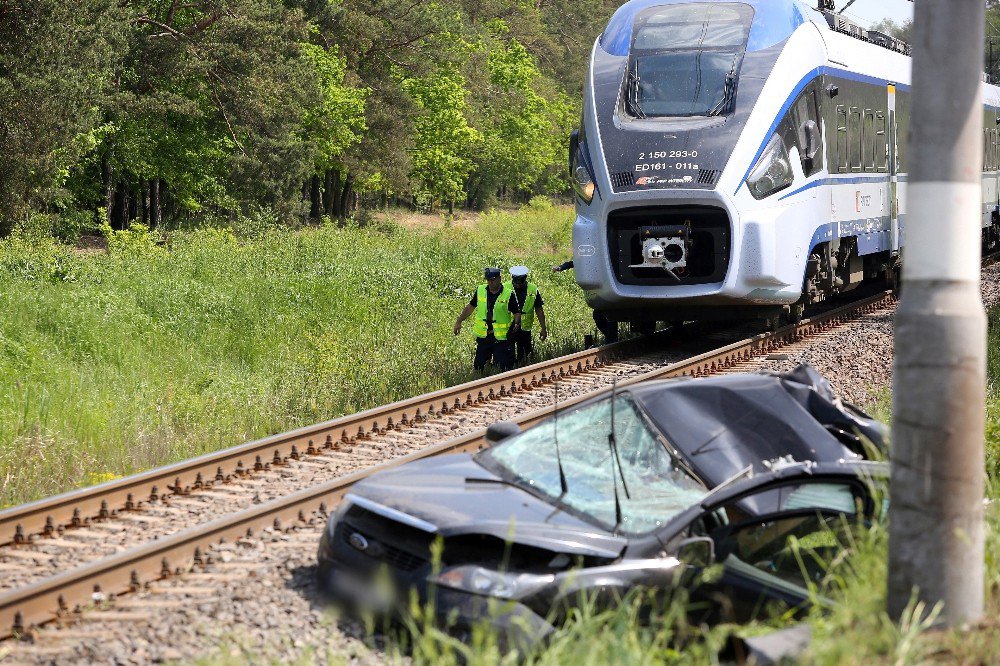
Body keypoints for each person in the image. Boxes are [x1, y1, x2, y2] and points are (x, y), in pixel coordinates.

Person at [454, 268, 521, 373]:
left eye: (493, 279)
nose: (490, 282)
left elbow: (517, 312)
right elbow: (470, 307)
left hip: (501, 339)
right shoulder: (481, 290)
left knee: (501, 368)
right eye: (488, 280)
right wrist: (459, 321)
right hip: (484, 336)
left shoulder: (508, 294)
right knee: (479, 367)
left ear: (500, 278)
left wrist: (516, 323)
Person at [552, 260, 619, 343]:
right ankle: (611, 339)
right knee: (598, 316)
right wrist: (561, 267)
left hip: (611, 289)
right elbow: (575, 262)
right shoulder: (590, 258)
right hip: (601, 291)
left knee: (610, 315)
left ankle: (612, 340)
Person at [507, 265, 547, 363]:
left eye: (520, 283)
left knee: (525, 356)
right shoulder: (504, 287)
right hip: (508, 327)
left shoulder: (533, 289)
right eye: (516, 283)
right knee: (508, 356)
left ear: (525, 279)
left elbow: (539, 309)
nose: (518, 285)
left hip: (525, 328)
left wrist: (543, 328)